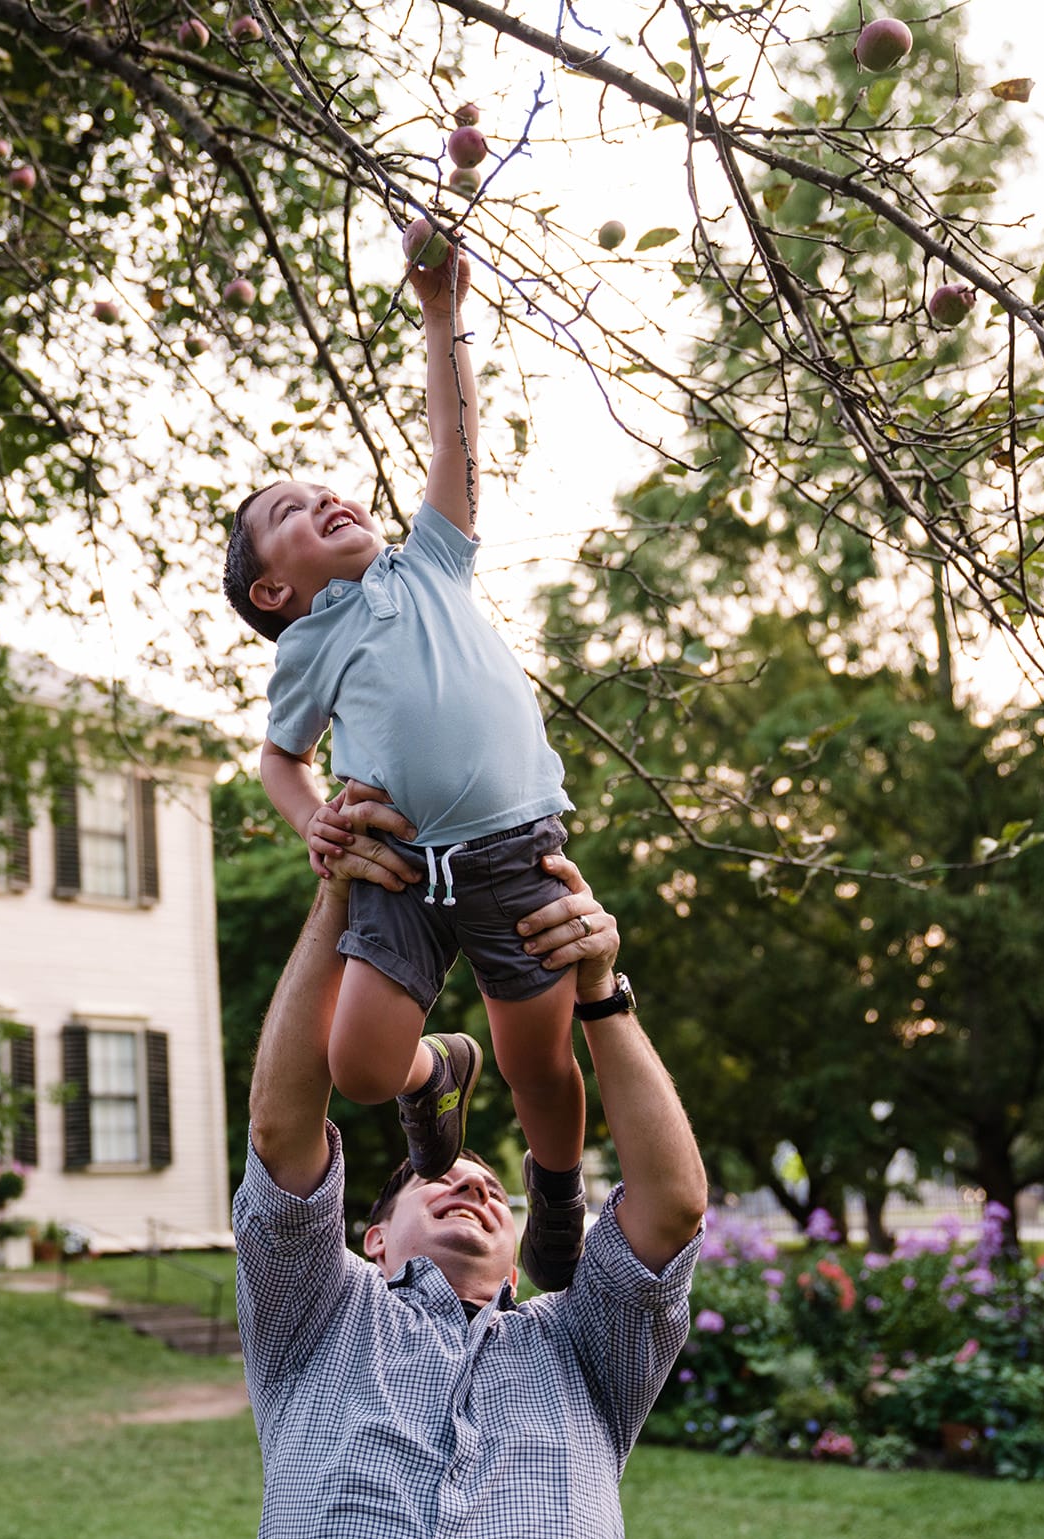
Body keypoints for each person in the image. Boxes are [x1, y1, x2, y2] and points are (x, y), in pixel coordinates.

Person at [222, 231, 589, 1286]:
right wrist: (315, 825)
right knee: (360, 1063)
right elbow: (279, 760)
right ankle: (437, 1076)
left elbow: (452, 446)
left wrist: (442, 317)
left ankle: (558, 1190)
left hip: (516, 853)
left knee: (540, 1063)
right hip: (403, 869)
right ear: (273, 592)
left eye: (320, 486)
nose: (321, 498)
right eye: (288, 513)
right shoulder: (306, 645)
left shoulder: (428, 560)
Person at [235, 790, 706, 1539]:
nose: (473, 1184)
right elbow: (282, 1133)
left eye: (495, 1187)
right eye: (441, 1176)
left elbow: (674, 1205)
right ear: (371, 1239)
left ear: (519, 1262)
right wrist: (338, 893)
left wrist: (600, 991)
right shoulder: (320, 1312)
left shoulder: (580, 1347)